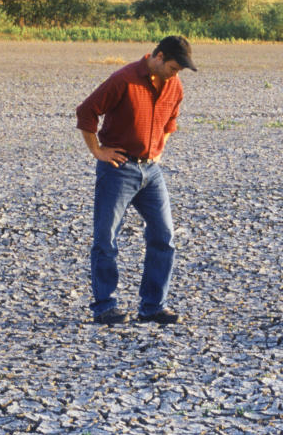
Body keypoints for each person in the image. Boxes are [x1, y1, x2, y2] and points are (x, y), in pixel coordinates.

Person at [76, 35, 196, 325]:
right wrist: (98, 151)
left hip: (151, 172)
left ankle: (153, 306)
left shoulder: (174, 86)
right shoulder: (124, 79)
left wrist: (158, 149)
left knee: (164, 237)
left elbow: (170, 123)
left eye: (179, 70)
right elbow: (86, 111)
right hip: (118, 169)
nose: (175, 74)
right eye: (173, 67)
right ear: (157, 56)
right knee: (106, 239)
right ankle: (105, 307)